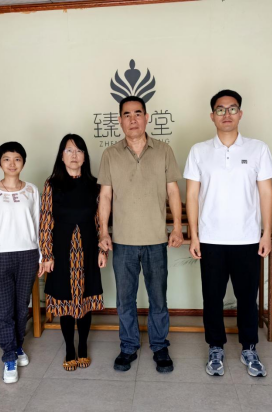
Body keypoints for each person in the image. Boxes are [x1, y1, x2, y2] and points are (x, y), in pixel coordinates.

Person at [184, 90, 272, 378]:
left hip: (247, 238)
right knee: (212, 297)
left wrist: (266, 233)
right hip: (211, 239)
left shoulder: (258, 149)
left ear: (240, 114)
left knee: (247, 297)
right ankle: (215, 348)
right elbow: (192, 195)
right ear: (212, 116)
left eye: (232, 108)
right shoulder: (199, 151)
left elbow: (266, 192)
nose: (227, 114)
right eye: (221, 109)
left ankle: (249, 348)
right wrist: (194, 235)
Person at [98, 96, 184, 374]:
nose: (132, 119)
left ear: (147, 118)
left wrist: (177, 227)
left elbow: (173, 191)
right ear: (120, 120)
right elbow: (105, 196)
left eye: (138, 113)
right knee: (125, 300)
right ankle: (128, 346)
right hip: (122, 241)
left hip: (156, 240)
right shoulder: (110, 154)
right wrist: (103, 232)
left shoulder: (163, 150)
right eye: (127, 114)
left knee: (158, 298)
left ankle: (159, 346)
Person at [40, 134, 108, 372]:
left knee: (85, 299)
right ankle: (69, 347)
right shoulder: (52, 184)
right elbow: (46, 221)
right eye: (69, 150)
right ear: (61, 156)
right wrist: (47, 255)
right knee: (65, 300)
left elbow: (100, 222)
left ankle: (83, 346)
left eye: (79, 151)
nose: (74, 155)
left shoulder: (95, 185)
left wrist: (102, 250)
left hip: (88, 248)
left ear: (85, 156)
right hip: (61, 250)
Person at [0, 142, 44, 384]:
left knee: (21, 307)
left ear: (23, 162)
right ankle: (8, 357)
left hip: (28, 255)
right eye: (7, 159)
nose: (12, 163)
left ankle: (17, 346)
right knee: (3, 310)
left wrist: (41, 256)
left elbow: (38, 225)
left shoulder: (32, 191)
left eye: (17, 159)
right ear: (0, 163)